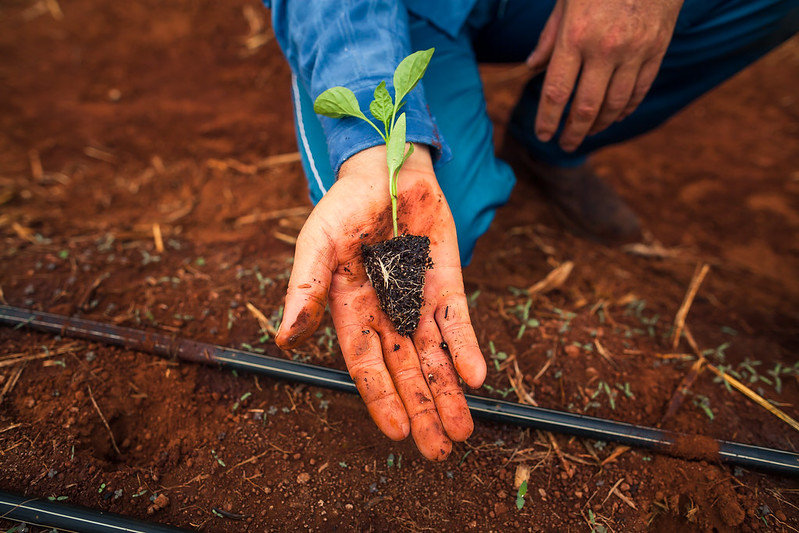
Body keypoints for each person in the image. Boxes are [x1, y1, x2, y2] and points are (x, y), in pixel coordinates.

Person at [262, 0, 799, 461]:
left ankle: (550, 146)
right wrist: (369, 141)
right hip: (384, 14)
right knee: (448, 213)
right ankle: (340, 67)